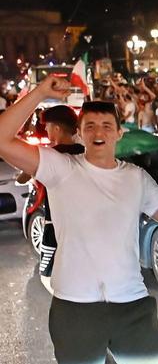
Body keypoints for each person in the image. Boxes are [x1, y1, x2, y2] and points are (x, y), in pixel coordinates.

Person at [0, 78, 158, 364]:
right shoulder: (59, 167)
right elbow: (2, 139)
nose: (98, 132)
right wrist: (38, 94)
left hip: (131, 303)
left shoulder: (135, 177)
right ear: (80, 133)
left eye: (107, 126)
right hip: (76, 305)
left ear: (120, 133)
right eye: (90, 126)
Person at [18, 105, 85, 283]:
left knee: (52, 280)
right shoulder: (86, 153)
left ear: (56, 128)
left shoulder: (48, 155)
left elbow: (23, 177)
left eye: (47, 125)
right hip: (84, 225)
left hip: (57, 227)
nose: (45, 129)